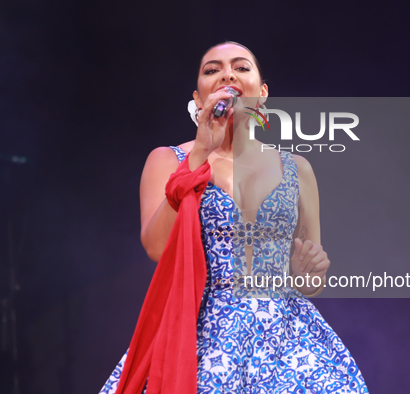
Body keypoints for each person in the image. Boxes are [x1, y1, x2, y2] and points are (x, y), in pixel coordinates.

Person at [100, 42, 368, 393]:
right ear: (199, 99)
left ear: (262, 93)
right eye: (213, 70)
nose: (227, 74)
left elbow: (309, 277)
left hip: (287, 337)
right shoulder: (169, 160)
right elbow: (156, 246)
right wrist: (200, 151)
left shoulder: (297, 168)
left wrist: (307, 273)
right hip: (205, 332)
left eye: (241, 67)